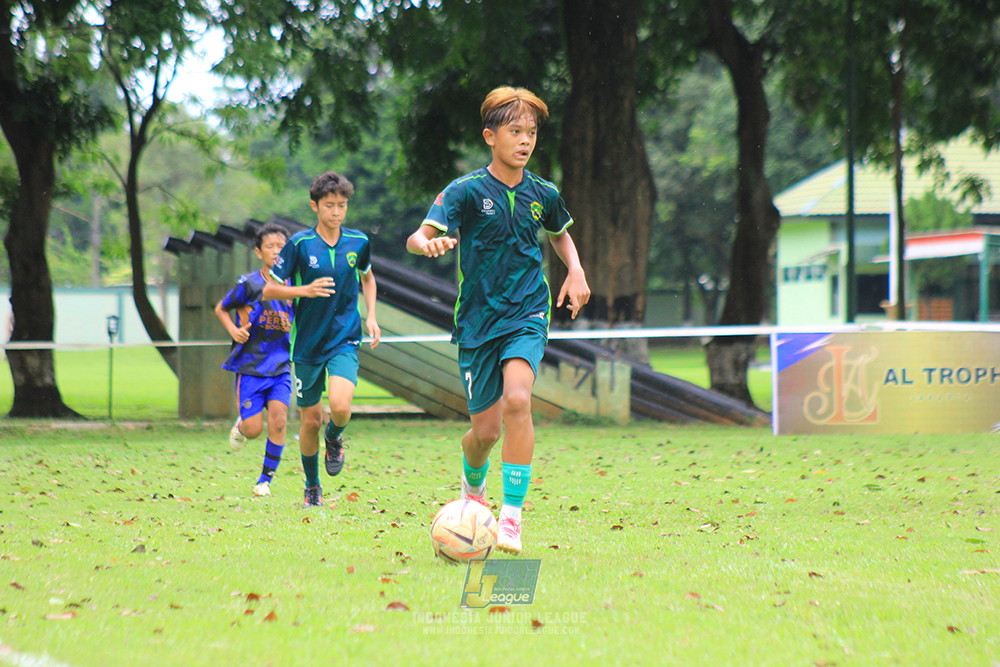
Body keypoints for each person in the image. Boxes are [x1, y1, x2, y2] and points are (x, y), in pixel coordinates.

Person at [406, 86, 591, 554]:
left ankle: (511, 517)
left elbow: (559, 234)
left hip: (527, 313)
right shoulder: (465, 191)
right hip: (476, 323)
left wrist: (576, 270)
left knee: (518, 401)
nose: (525, 141)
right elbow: (418, 236)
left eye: (531, 133)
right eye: (515, 132)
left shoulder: (544, 192)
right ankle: (473, 485)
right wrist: (427, 243)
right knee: (484, 433)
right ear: (491, 136)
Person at [264, 171, 381, 508]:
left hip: (344, 338)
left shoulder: (358, 242)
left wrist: (371, 316)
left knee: (341, 407)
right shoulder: (300, 245)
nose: (336, 212)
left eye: (342, 205)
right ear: (315, 206)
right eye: (329, 205)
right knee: (310, 420)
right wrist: (304, 290)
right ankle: (312, 486)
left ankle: (335, 437)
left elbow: (368, 279)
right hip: (307, 345)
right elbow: (269, 288)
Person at [213, 223, 294, 498]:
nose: (276, 252)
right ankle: (242, 425)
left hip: (282, 365)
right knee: (253, 430)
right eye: (270, 247)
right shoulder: (249, 283)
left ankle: (265, 480)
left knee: (280, 420)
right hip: (251, 366)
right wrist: (233, 330)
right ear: (259, 252)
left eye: (281, 247)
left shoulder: (294, 284)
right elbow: (221, 308)